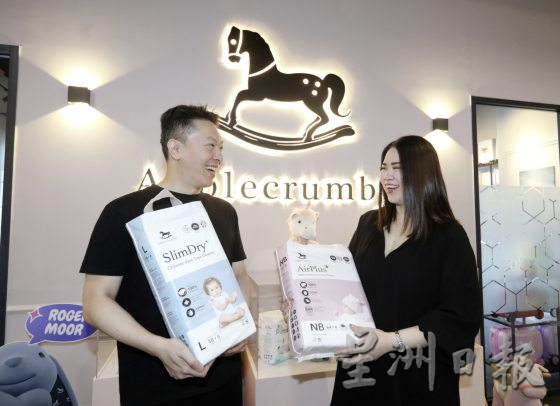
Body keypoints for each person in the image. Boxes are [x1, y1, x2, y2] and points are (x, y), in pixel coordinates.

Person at [80, 105, 248, 406]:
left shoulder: (224, 212)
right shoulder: (123, 212)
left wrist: (243, 325)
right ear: (175, 148)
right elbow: (95, 303)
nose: (218, 156)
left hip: (225, 381)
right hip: (155, 387)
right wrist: (158, 347)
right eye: (210, 145)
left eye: (221, 148)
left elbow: (239, 275)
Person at [330, 135, 482, 405]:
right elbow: (346, 288)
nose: (387, 176)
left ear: (422, 173)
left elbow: (459, 316)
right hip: (361, 370)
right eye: (383, 168)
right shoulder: (368, 224)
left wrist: (390, 341)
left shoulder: (449, 236)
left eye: (397, 168)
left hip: (418, 377)